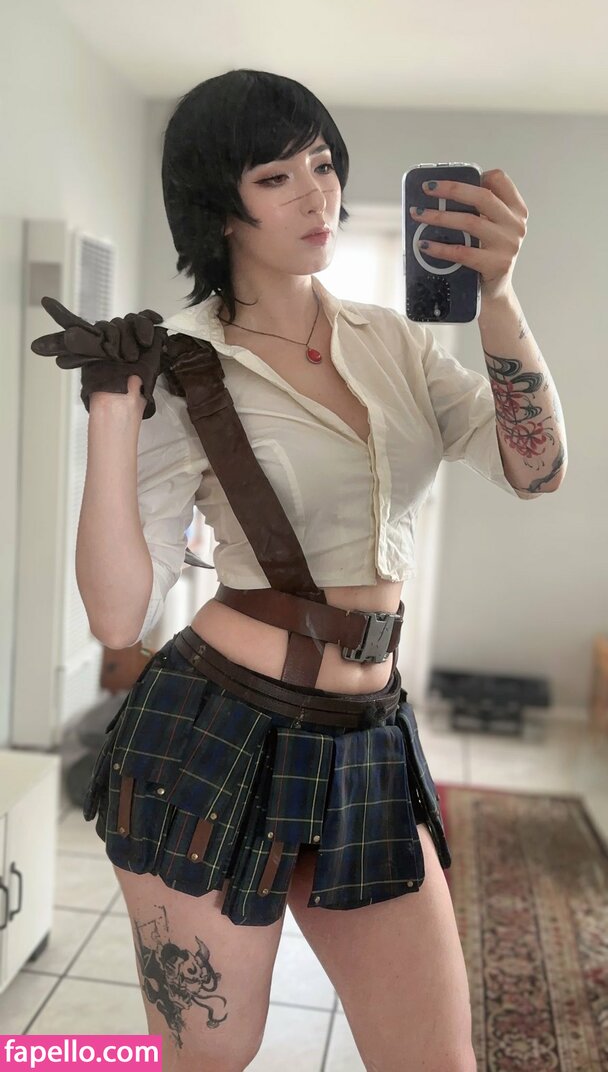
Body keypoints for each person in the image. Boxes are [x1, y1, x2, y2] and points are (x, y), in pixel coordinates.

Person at [34, 67, 535, 1071]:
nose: (317, 194)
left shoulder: (392, 342)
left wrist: (497, 295)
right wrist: (111, 414)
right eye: (275, 177)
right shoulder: (179, 361)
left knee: (437, 1060)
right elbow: (118, 620)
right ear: (220, 209)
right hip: (210, 732)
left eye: (320, 164)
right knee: (211, 1057)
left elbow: (536, 467)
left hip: (368, 734)